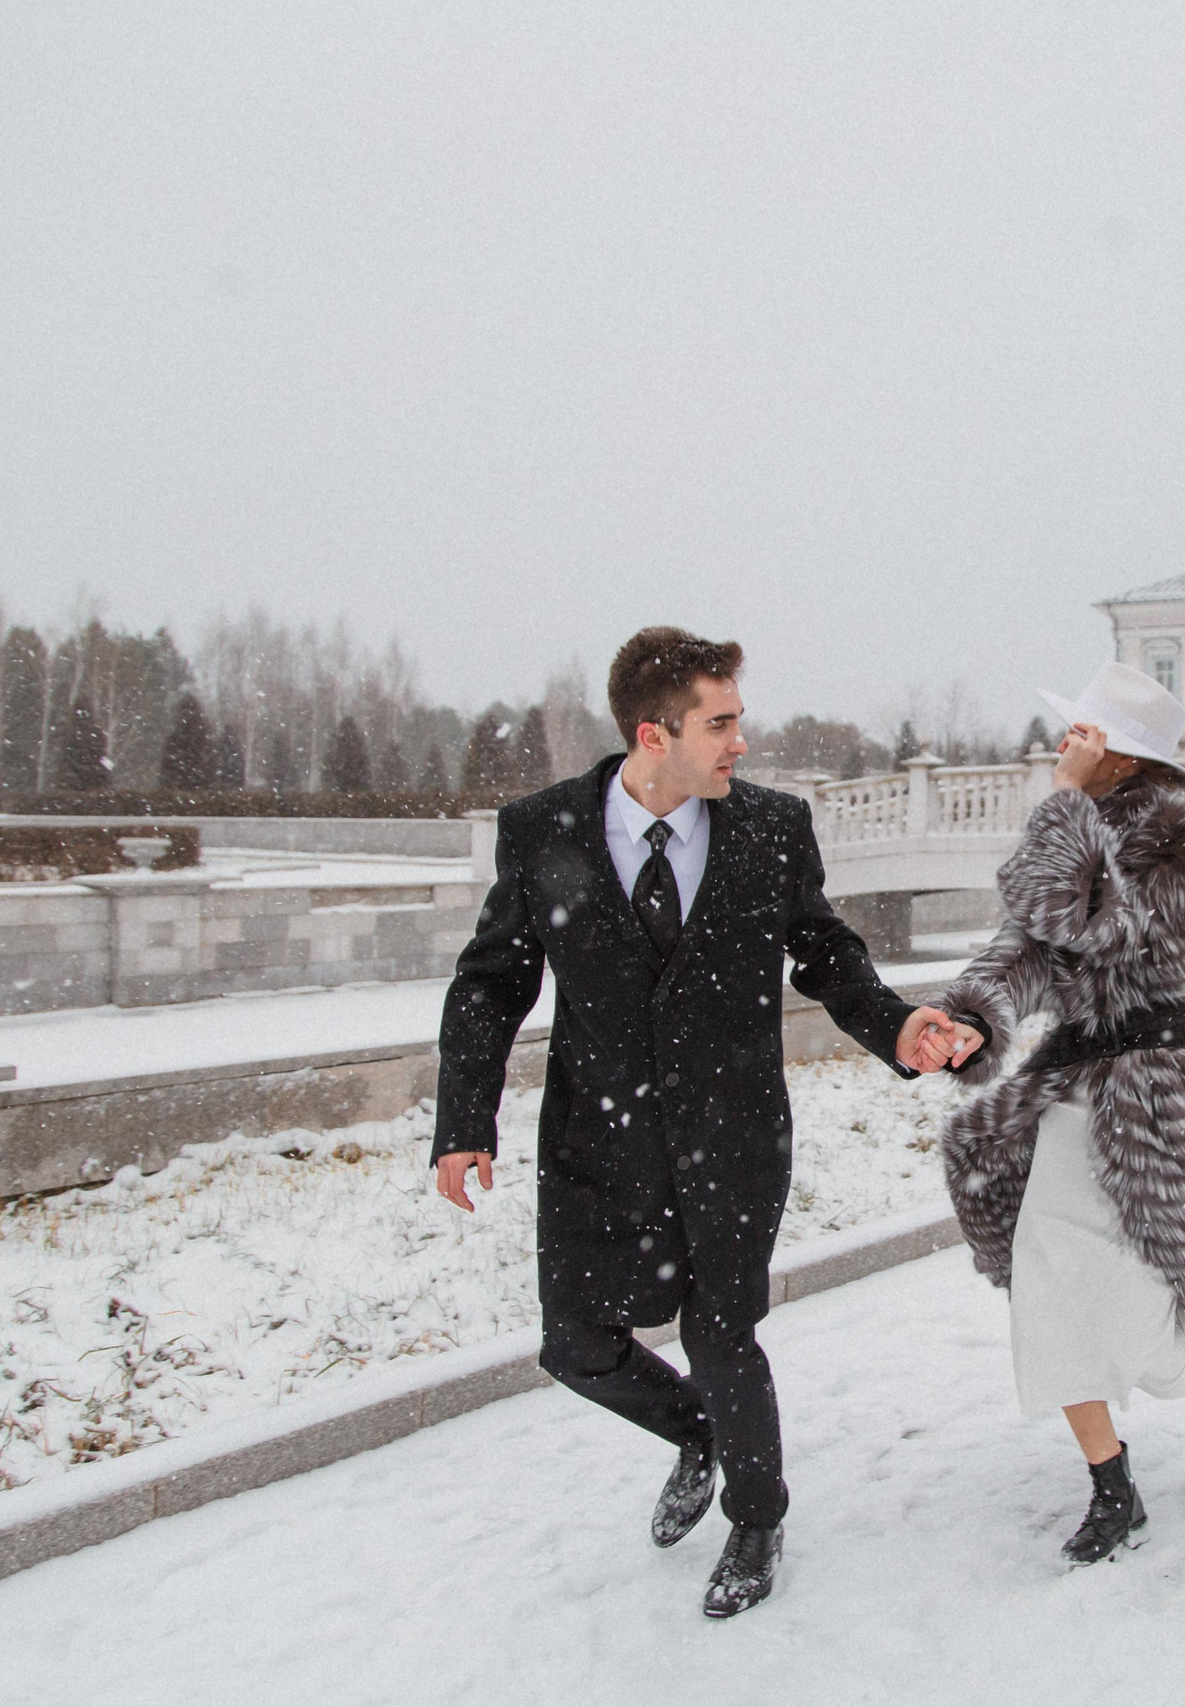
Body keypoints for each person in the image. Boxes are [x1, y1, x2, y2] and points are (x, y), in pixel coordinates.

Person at [431, 627, 972, 1619]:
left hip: (733, 1134)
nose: (741, 743)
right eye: (720, 723)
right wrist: (465, 1117)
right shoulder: (543, 831)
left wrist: (896, 1026)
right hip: (597, 1141)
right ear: (655, 733)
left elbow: (825, 952)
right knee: (576, 1345)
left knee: (722, 1335)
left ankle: (757, 1517)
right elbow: (491, 982)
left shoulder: (770, 829)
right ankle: (698, 1433)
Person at [934, 660, 1185, 1566]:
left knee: (1138, 1319)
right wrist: (973, 1016)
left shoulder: (1184, 840)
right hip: (1072, 1091)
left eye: (1082, 733)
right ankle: (1114, 1487)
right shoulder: (1080, 828)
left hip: (1159, 1097)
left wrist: (1064, 803)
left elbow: (1095, 924)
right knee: (1050, 1296)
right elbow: (1028, 944)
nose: (1064, 742)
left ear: (1120, 754)